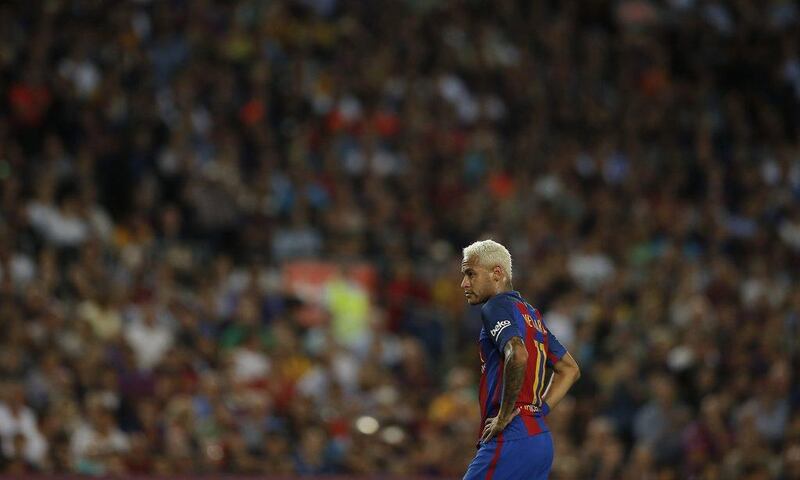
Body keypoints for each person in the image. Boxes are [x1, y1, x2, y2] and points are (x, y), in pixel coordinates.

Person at [460, 240, 580, 480]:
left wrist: (504, 415)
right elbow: (569, 369)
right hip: (539, 439)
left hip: (511, 436)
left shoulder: (495, 307)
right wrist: (539, 410)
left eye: (470, 274)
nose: (464, 283)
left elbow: (518, 353)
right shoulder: (531, 314)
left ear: (497, 273)